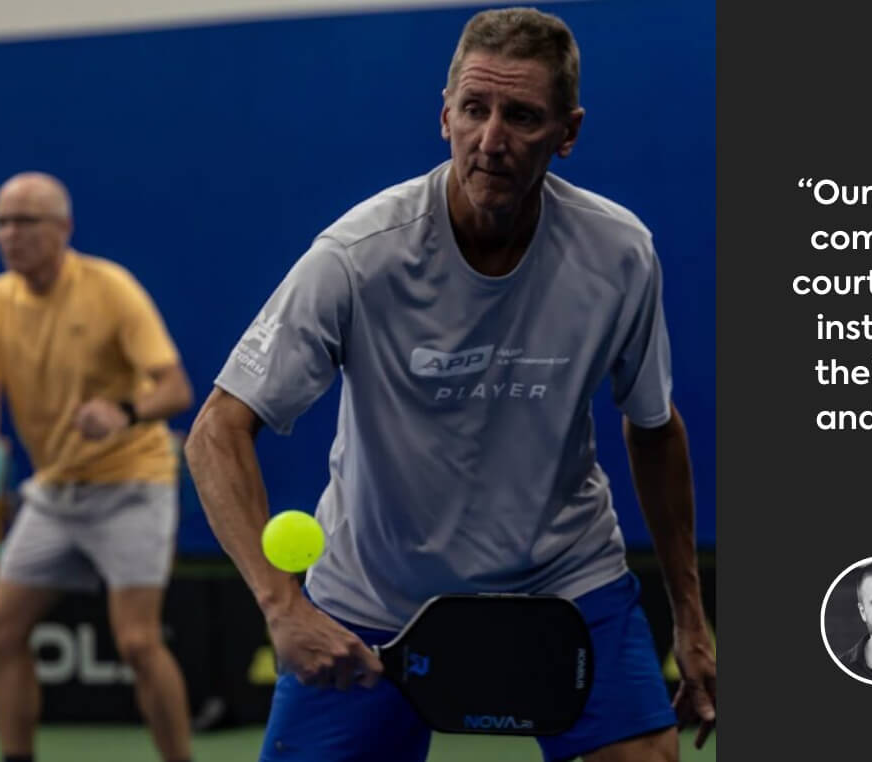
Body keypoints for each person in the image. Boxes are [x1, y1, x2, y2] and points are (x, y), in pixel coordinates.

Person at [183, 7, 715, 761]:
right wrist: (281, 604)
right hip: (372, 602)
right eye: (475, 109)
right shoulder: (357, 256)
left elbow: (654, 428)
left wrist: (691, 618)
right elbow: (216, 430)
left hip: (564, 584)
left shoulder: (621, 255)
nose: (491, 141)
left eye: (522, 116)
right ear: (445, 116)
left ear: (568, 132)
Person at [0, 172, 196, 762]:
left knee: (138, 642)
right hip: (55, 493)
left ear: (63, 228)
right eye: (1, 222)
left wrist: (123, 411)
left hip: (132, 484)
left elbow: (175, 389)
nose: (10, 234)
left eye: (26, 221)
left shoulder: (111, 289)